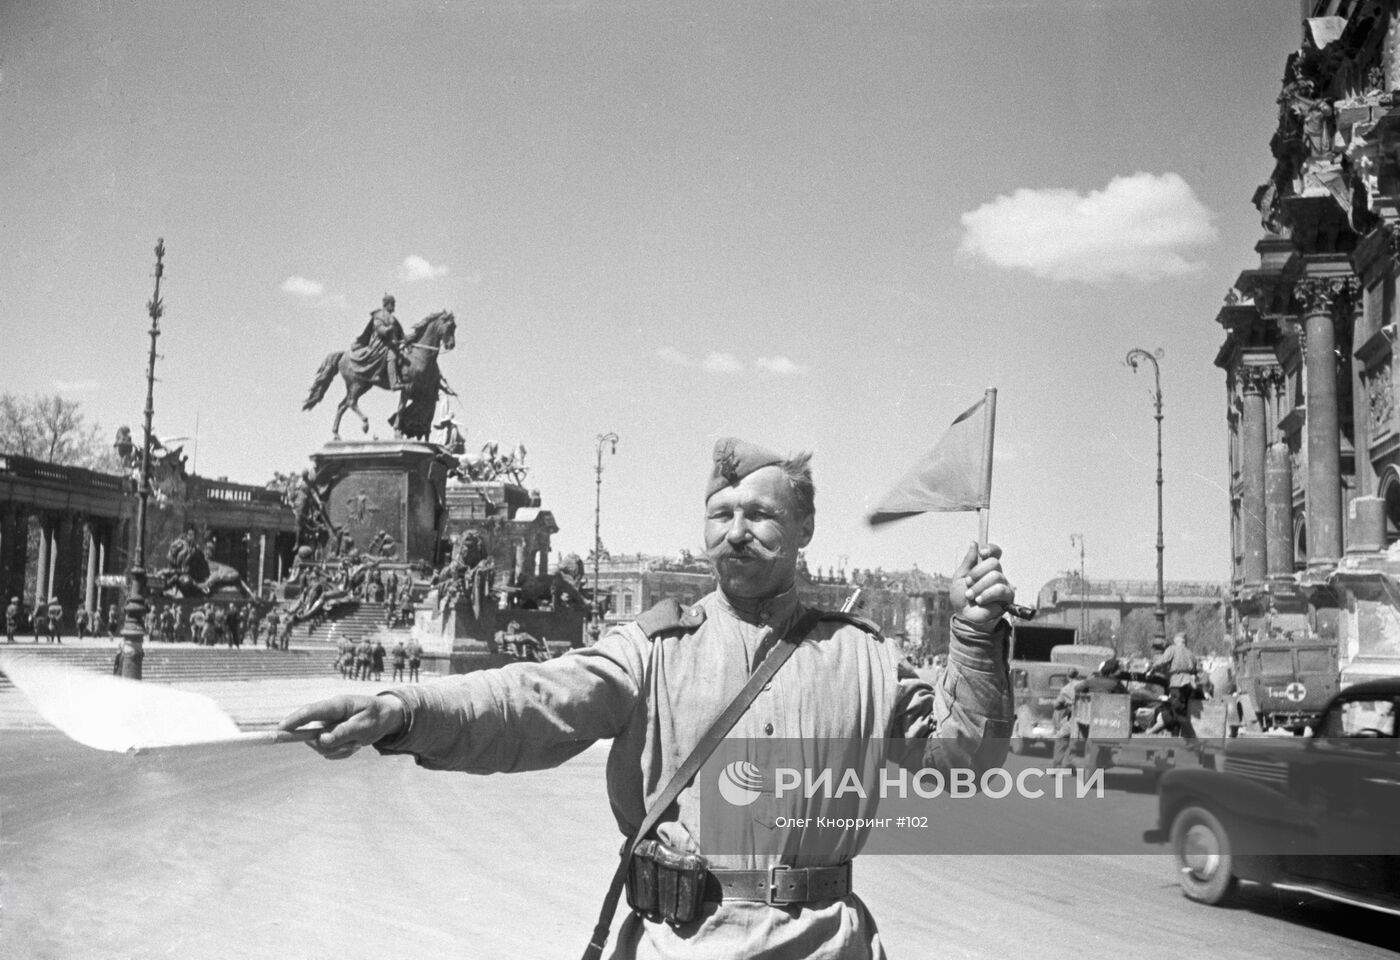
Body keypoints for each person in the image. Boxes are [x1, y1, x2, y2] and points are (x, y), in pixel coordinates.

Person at [280, 437, 1015, 959]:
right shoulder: (655, 649)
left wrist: (976, 641)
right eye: (720, 515)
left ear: (803, 529)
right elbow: (531, 701)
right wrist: (407, 712)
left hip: (818, 947)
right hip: (677, 945)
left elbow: (963, 760)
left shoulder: (864, 659)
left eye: (758, 515)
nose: (735, 533)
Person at [1148, 632, 1200, 740]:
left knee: (1178, 711)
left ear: (1176, 640)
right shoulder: (1190, 653)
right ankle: (1175, 736)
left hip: (1177, 682)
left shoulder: (1173, 649)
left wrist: (1152, 669)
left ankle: (1191, 737)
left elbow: (1162, 661)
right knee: (1177, 712)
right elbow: (1197, 669)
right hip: (1189, 684)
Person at [352, 294, 407, 390]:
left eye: (394, 303)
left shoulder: (393, 318)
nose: (394, 306)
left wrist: (405, 341)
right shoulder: (379, 315)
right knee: (392, 356)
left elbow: (400, 334)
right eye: (392, 303)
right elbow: (380, 330)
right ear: (387, 304)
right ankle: (393, 383)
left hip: (392, 344)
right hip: (380, 344)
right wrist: (389, 329)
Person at [1050, 667, 1082, 770]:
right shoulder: (1085, 685)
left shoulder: (1066, 689)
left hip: (1075, 720)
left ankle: (1056, 766)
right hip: (1090, 719)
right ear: (1078, 676)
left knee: (1061, 738)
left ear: (1068, 677)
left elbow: (1057, 705)